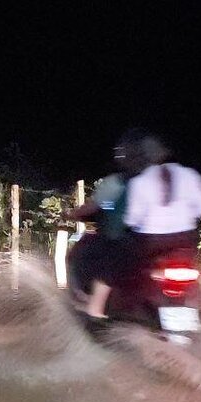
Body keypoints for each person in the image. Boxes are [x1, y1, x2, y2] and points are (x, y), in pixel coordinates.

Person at [66, 136, 147, 326]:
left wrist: (71, 214)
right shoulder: (151, 183)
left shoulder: (115, 183)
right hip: (154, 243)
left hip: (121, 241)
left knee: (94, 259)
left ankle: (92, 307)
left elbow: (94, 208)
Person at [121, 129, 201, 257]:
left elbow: (132, 218)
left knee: (136, 268)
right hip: (184, 239)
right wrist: (186, 214)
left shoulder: (139, 181)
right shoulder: (190, 175)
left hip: (151, 242)